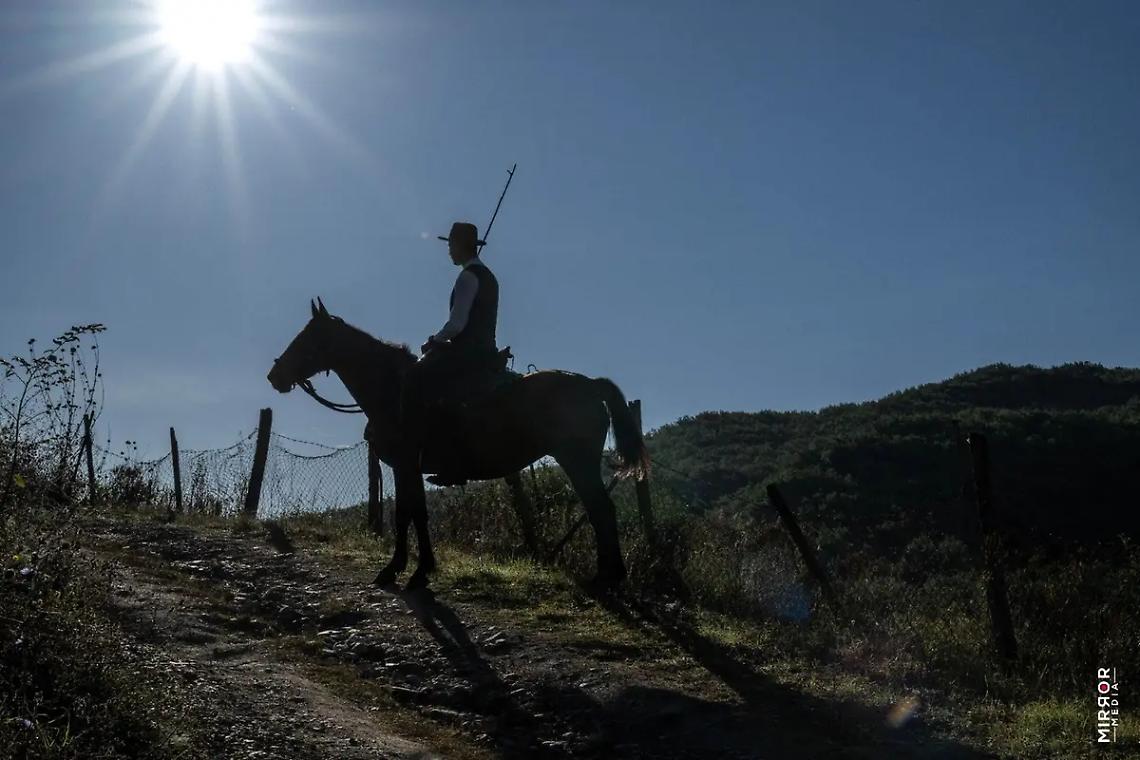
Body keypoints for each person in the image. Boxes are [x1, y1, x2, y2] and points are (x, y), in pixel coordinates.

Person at [400, 221, 500, 461]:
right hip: (487, 351)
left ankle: (424, 450)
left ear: (459, 245)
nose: (449, 251)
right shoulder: (490, 277)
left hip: (466, 354)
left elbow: (456, 324)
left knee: (414, 378)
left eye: (451, 245)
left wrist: (434, 340)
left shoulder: (467, 277)